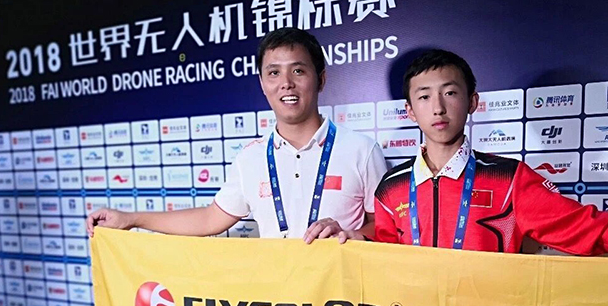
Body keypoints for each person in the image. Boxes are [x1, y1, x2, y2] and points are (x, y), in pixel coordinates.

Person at [370, 49, 608, 262]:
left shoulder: (509, 179)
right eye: (424, 97)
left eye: (450, 93)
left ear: (472, 102)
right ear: (409, 111)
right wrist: (349, 243)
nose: (438, 107)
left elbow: (590, 228)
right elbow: (379, 263)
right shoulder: (391, 187)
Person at [86, 28, 387, 244]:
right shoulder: (250, 158)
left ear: (320, 79)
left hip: (343, 303)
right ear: (262, 84)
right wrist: (132, 219)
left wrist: (353, 235)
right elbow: (209, 219)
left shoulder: (361, 150)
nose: (286, 83)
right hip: (279, 304)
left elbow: (387, 227)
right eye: (274, 73)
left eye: (298, 71)